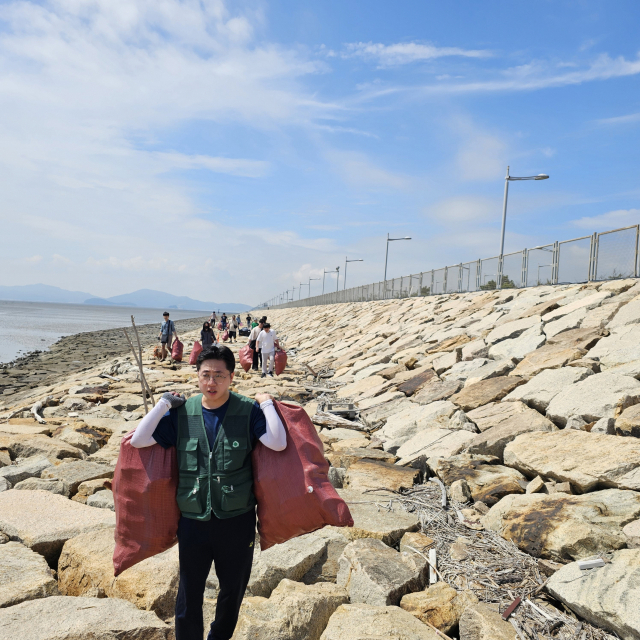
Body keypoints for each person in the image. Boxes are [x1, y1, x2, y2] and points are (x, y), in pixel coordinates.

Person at [130, 346, 287, 640]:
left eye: (219, 375)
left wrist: (266, 404)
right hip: (194, 519)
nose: (211, 382)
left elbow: (278, 442)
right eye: (205, 375)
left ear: (231, 377)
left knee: (232, 590)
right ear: (197, 377)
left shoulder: (246, 410)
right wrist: (163, 403)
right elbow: (139, 440)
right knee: (189, 593)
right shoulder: (184, 413)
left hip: (237, 520)